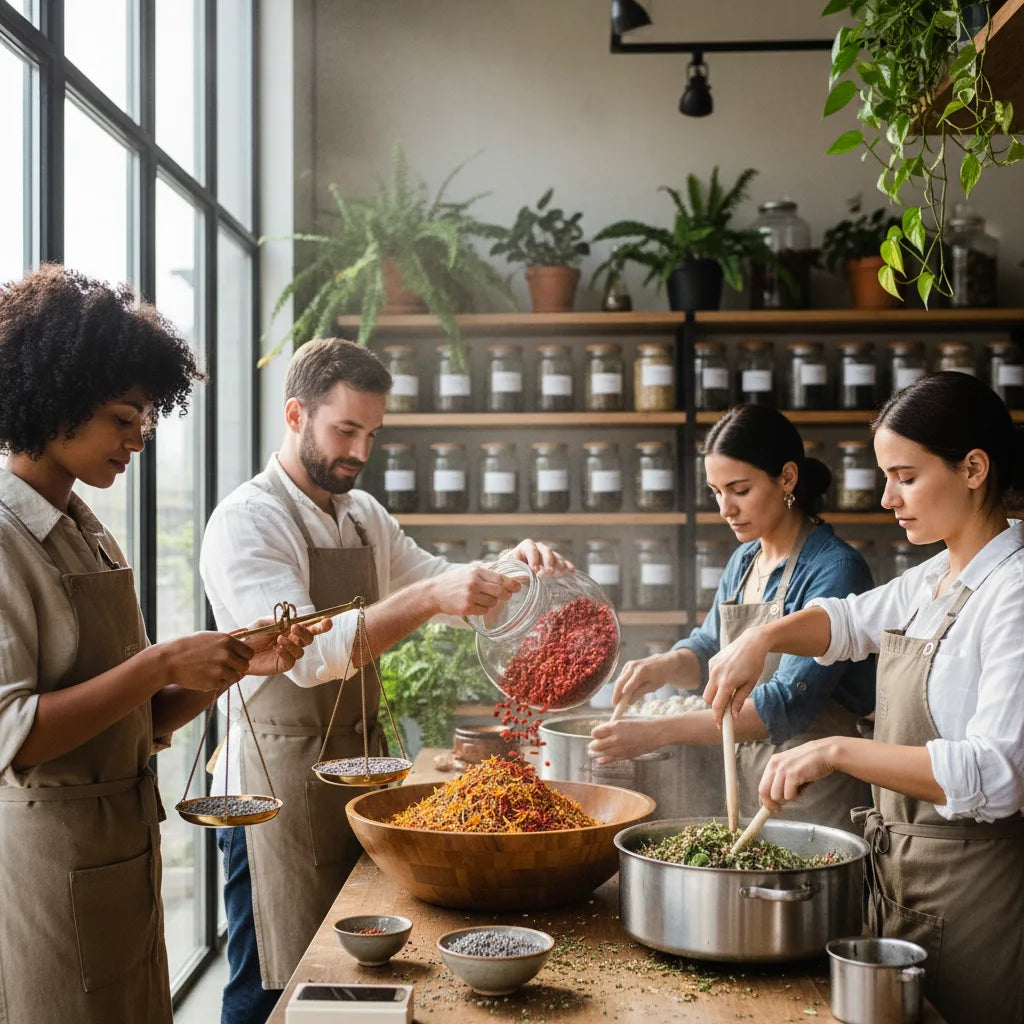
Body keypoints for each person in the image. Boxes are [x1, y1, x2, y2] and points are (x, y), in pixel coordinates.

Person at [199, 336, 569, 1024]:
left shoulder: (363, 516)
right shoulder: (249, 521)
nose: (360, 451)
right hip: (272, 788)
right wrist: (434, 597)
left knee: (346, 978)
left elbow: (436, 584)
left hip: (356, 771)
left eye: (372, 433)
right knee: (270, 981)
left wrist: (512, 569)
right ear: (294, 415)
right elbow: (309, 654)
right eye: (345, 430)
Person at [0, 266, 325, 1024]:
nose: (137, 440)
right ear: (55, 401)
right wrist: (160, 661)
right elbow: (15, 733)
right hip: (47, 864)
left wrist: (235, 666)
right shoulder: (7, 539)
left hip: (123, 851)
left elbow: (138, 721)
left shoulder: (87, 530)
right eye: (122, 418)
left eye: (144, 419)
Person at [705, 372, 1024, 1023]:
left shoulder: (1013, 592)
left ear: (973, 468)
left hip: (976, 897)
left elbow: (998, 774)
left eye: (905, 476)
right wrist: (762, 637)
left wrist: (837, 750)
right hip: (901, 886)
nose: (887, 498)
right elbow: (848, 621)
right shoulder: (935, 575)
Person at [589, 404, 875, 831]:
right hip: (747, 787)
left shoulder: (835, 569)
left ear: (787, 479)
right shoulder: (745, 560)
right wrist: (667, 664)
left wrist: (657, 732)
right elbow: (710, 648)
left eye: (739, 490)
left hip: (814, 800)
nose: (725, 508)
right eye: (716, 491)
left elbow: (786, 706)